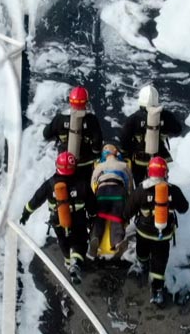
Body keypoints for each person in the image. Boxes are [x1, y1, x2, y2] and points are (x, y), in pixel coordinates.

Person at [20, 152, 97, 284]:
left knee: (63, 241)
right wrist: (93, 218)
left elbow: (36, 199)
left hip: (58, 222)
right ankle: (76, 262)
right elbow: (92, 206)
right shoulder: (82, 184)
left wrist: (26, 213)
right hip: (78, 222)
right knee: (80, 242)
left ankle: (68, 261)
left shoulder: (50, 184)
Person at [123, 157, 189, 305]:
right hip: (163, 236)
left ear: (149, 173)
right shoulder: (173, 190)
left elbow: (127, 210)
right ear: (165, 173)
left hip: (143, 233)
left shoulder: (141, 190)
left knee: (142, 251)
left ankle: (142, 265)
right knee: (159, 262)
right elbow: (184, 208)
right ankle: (157, 290)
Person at [119, 85, 182, 183]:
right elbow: (178, 130)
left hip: (139, 160)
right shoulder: (166, 116)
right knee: (160, 182)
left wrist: (128, 153)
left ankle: (142, 196)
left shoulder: (133, 119)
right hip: (159, 159)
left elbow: (124, 139)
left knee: (140, 185)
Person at [43, 86, 103, 182]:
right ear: (86, 102)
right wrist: (96, 155)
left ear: (70, 101)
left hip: (65, 165)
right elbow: (97, 142)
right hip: (85, 164)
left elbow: (46, 134)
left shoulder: (60, 118)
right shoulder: (91, 120)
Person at [88, 144, 135, 260]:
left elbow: (93, 183)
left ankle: (95, 238)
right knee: (116, 219)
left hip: (102, 193)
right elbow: (130, 185)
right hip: (118, 192)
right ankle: (118, 242)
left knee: (99, 219)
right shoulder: (124, 165)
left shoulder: (99, 166)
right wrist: (128, 198)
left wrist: (94, 199)